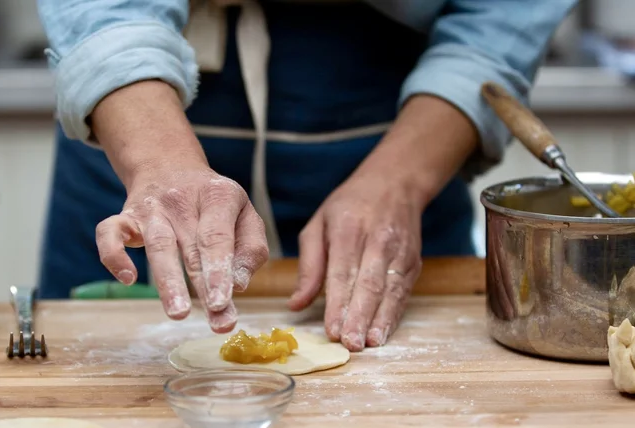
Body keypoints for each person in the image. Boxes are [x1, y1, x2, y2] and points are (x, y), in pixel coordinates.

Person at [35, 0, 576, 351]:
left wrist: (400, 180)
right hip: (132, 111)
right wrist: (156, 161)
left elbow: (504, 15)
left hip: (401, 119)